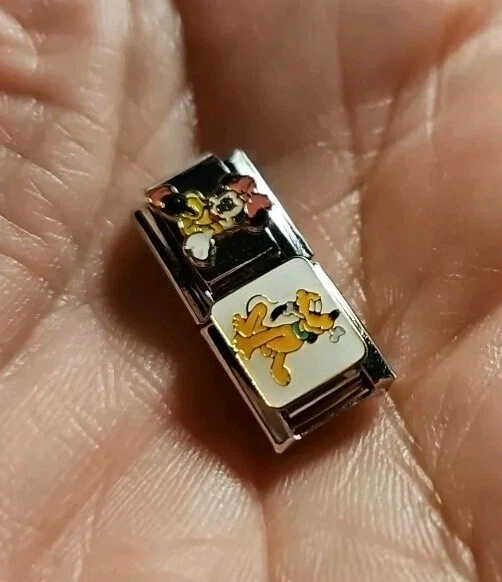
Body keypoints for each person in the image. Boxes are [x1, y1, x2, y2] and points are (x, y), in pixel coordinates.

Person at [0, 0, 500, 580]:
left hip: (276, 310)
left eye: (230, 205)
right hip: (251, 315)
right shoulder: (200, 240)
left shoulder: (262, 243)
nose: (223, 210)